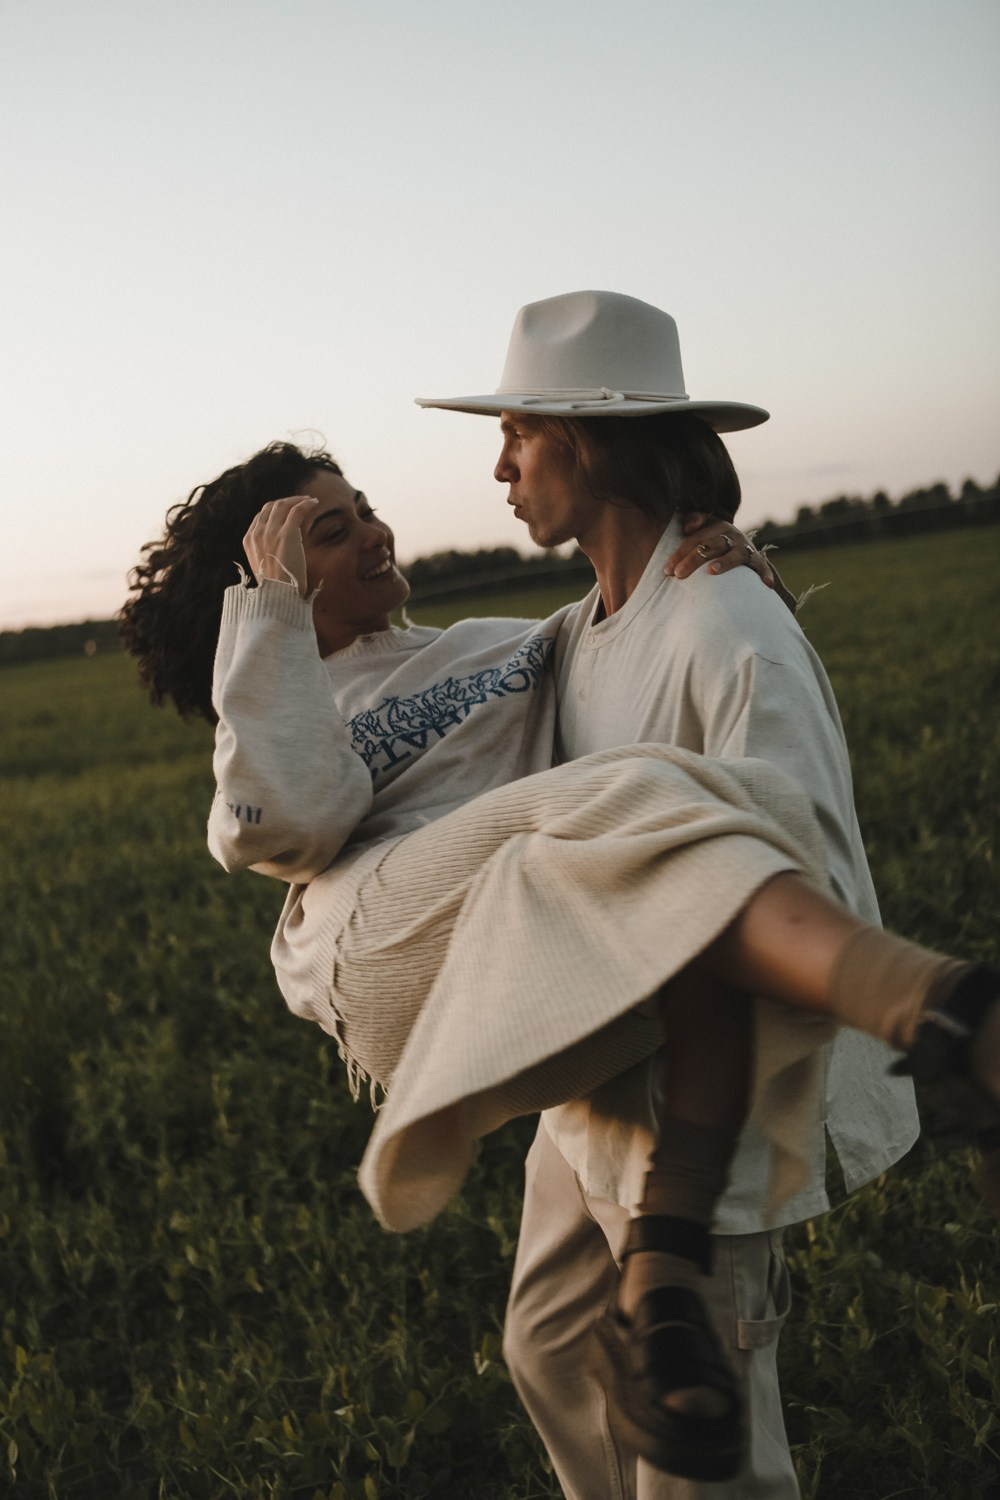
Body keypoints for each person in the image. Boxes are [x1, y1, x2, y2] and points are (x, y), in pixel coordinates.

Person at [120, 436, 999, 1491]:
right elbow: (291, 822)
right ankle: (943, 1011)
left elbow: (624, 633)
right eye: (330, 528)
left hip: (535, 929)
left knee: (552, 1340)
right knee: (639, 802)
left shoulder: (492, 648)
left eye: (364, 507)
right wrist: (266, 613)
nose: (372, 531)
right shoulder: (281, 704)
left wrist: (709, 548)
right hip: (394, 946)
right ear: (270, 578)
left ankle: (684, 1245)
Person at [416, 289, 1000, 1497]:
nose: (497, 467)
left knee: (703, 1456)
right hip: (592, 1082)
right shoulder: (580, 630)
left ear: (587, 441)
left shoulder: (728, 625)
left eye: (516, 433)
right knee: (551, 1347)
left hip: (709, 1108)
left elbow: (800, 882)